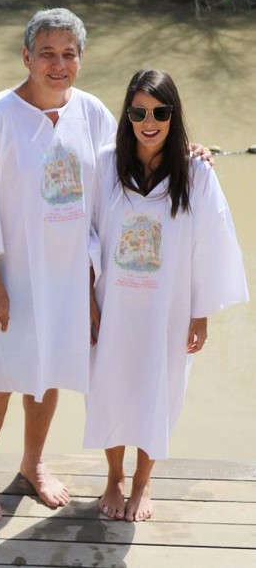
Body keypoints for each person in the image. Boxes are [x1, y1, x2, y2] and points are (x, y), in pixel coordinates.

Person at [0, 7, 118, 521]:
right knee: (0, 375)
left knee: (49, 369)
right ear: (26, 56)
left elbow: (125, 179)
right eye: (47, 53)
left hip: (71, 275)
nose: (58, 64)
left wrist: (191, 151)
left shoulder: (94, 113)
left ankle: (32, 463)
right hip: (13, 275)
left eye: (68, 54)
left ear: (81, 58)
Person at [84, 69, 248, 522]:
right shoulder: (104, 164)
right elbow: (87, 235)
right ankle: (114, 477)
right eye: (138, 112)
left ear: (174, 115)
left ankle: (142, 483)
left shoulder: (195, 174)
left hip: (168, 308)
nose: (149, 121)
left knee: (159, 390)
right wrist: (86, 300)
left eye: (160, 111)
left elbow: (210, 244)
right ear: (127, 115)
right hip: (112, 306)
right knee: (110, 387)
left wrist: (201, 312)